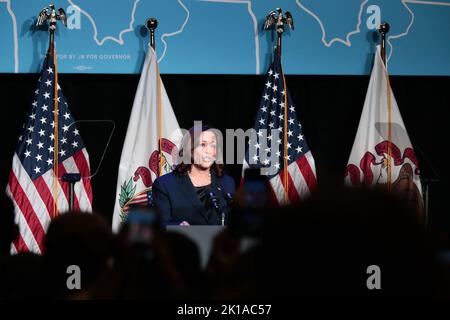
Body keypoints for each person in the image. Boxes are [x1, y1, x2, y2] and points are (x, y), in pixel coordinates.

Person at [152, 125, 235, 225]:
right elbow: (161, 225)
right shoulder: (165, 185)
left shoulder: (227, 182)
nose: (209, 151)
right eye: (203, 145)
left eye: (213, 145)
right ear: (189, 149)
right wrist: (178, 227)